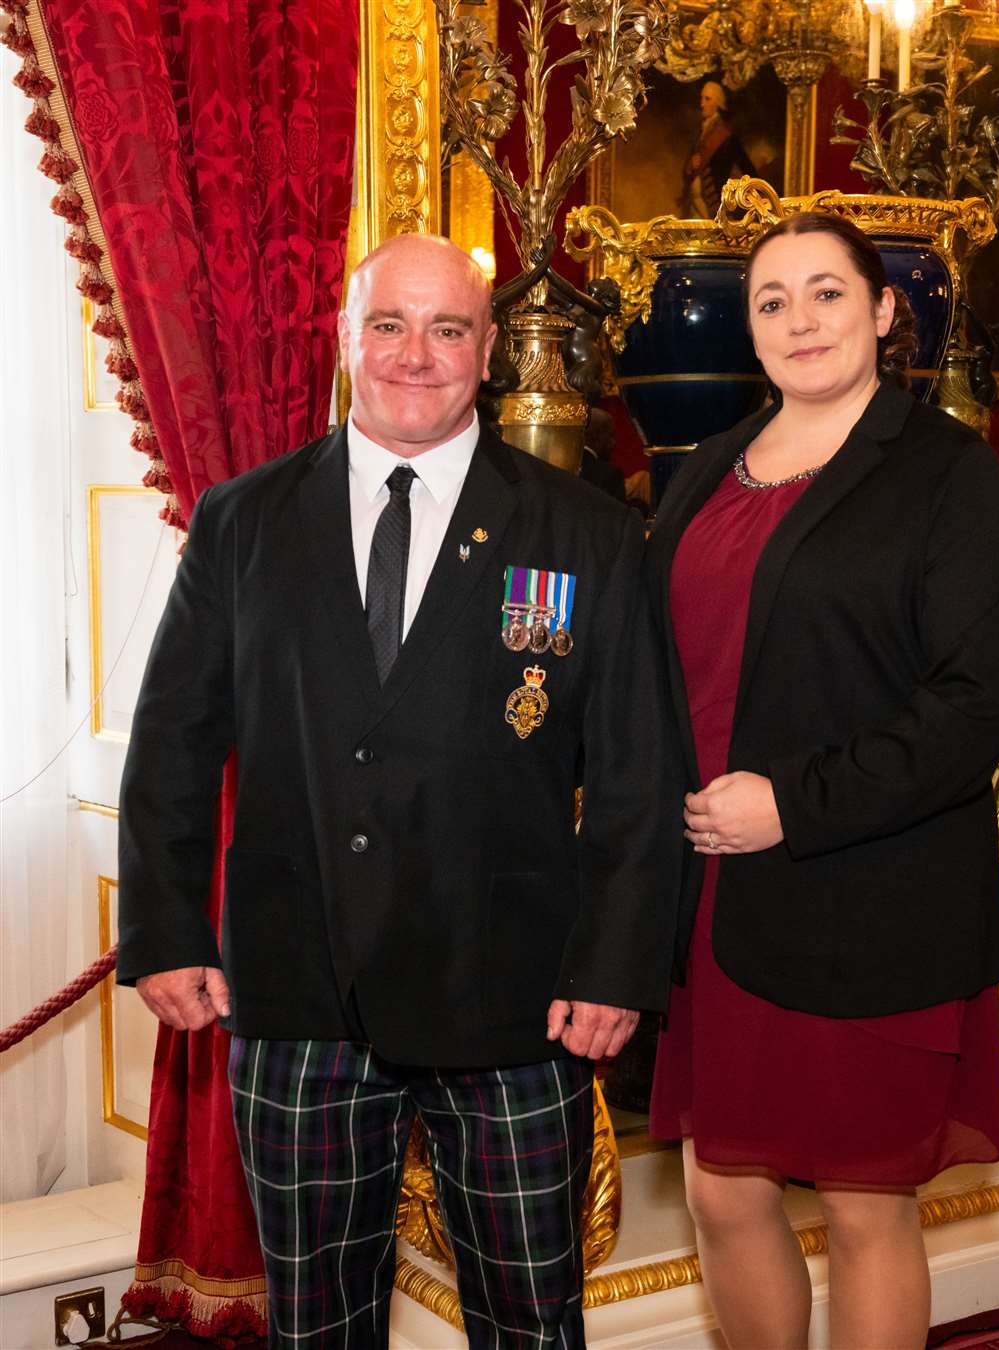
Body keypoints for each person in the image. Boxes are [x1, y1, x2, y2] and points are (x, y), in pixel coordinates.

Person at [117, 233, 678, 1349]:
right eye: (389, 325)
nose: (415, 355)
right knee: (318, 1325)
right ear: (344, 342)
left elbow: (637, 774)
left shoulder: (590, 533)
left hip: (517, 1000)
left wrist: (617, 964)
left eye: (448, 328)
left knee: (533, 1322)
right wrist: (168, 930)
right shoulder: (242, 519)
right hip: (300, 990)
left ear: (487, 353)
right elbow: (174, 738)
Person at [647, 212, 999, 1349]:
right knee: (722, 1191)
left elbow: (973, 709)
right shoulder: (713, 464)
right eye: (772, 301)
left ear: (880, 311)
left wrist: (790, 805)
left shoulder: (945, 470)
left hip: (867, 890)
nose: (799, 320)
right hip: (714, 897)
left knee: (865, 1204)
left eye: (825, 293)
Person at [681, 80, 756, 218]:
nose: (702, 104)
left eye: (707, 99)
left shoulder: (726, 136)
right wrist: (691, 165)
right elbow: (688, 170)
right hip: (695, 206)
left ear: (717, 103)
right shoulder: (701, 133)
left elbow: (748, 171)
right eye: (702, 98)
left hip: (713, 205)